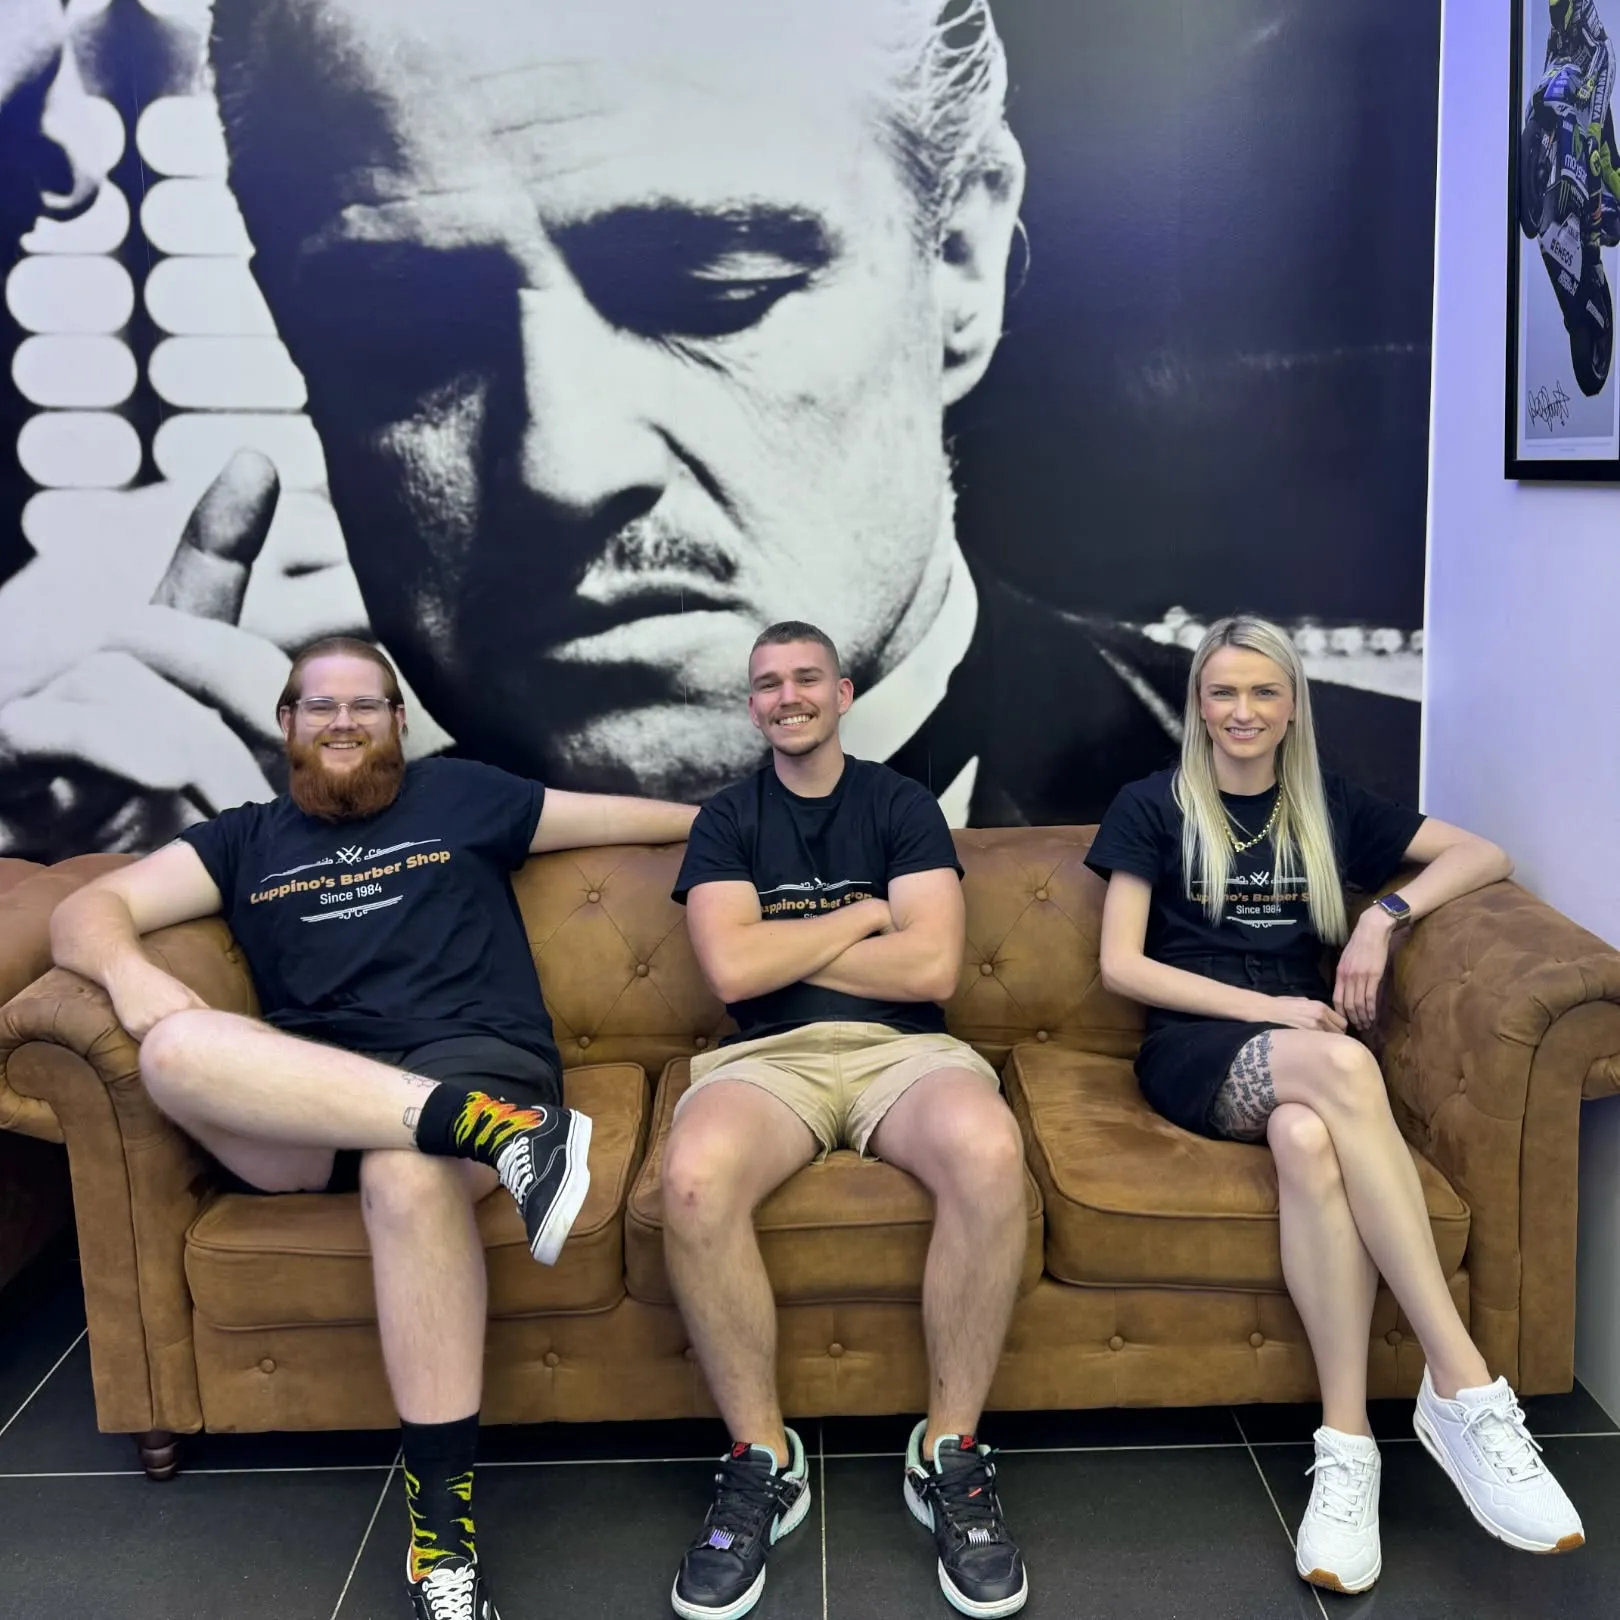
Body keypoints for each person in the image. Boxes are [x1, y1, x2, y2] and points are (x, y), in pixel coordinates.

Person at [0, 0, 1422, 859]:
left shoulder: (1360, 793)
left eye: (713, 291)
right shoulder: (262, 850)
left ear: (962, 261)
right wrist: (171, 934)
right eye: (407, 330)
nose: (563, 465)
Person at [49, 635, 699, 1620]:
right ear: (287, 724)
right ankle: (497, 1136)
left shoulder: (463, 795)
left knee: (406, 1172)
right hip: (310, 1099)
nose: (343, 721)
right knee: (171, 1050)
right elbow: (87, 909)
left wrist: (763, 828)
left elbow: (635, 818)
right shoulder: (242, 840)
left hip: (475, 1062)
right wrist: (129, 974)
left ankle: (441, 1534)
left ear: (399, 722)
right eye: (321, 705)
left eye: (366, 704)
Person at [1085, 614, 1585, 1596]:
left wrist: (1384, 918)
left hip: (1303, 1057)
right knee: (1345, 1071)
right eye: (1223, 692)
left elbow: (1482, 855)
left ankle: (1347, 1448)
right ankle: (1463, 1384)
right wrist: (1271, 1008)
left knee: (1309, 1139)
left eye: (1263, 692)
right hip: (1197, 1047)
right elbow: (1121, 966)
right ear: (1198, 705)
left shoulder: (1326, 806)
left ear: (1292, 706)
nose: (1242, 711)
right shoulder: (1152, 804)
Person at [663, 621, 1029, 1620]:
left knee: (990, 1149)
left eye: (806, 678)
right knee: (691, 1178)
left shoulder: (901, 805)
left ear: (842, 693)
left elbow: (932, 970)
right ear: (752, 707)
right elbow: (733, 973)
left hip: (901, 1053)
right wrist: (866, 915)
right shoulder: (727, 819)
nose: (787, 696)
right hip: (766, 1059)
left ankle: (949, 1454)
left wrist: (785, 942)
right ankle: (761, 1461)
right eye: (767, 684)